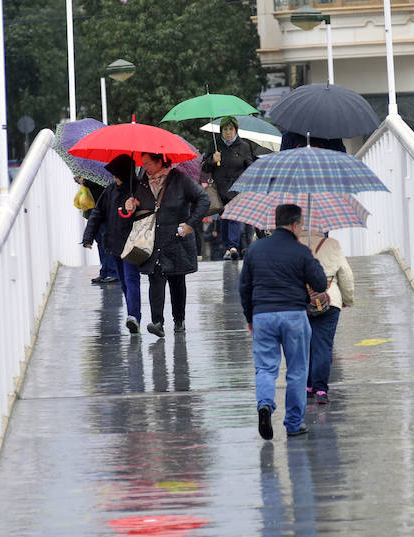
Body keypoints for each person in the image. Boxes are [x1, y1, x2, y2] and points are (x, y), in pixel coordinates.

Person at [239, 204, 327, 439]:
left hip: (263, 315)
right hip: (294, 315)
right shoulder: (301, 251)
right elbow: (319, 283)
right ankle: (293, 424)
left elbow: (244, 287)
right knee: (297, 370)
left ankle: (265, 405)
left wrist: (250, 317)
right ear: (296, 224)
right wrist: (312, 258)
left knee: (266, 367)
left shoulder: (255, 249)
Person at [123, 152, 209, 338]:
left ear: (160, 161)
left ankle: (179, 321)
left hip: (176, 238)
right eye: (143, 164)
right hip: (153, 239)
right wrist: (130, 204)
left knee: (177, 280)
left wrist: (190, 223)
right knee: (155, 279)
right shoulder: (142, 182)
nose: (145, 167)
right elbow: (138, 207)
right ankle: (157, 322)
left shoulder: (180, 179)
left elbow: (204, 199)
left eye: (148, 163)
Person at [82, 154, 143, 334]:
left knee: (131, 279)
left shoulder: (138, 190)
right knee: (124, 281)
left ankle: (134, 315)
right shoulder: (109, 191)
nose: (114, 178)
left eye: (117, 174)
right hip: (114, 243)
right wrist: (88, 237)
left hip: (132, 244)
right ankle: (133, 314)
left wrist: (135, 205)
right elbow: (97, 214)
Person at [302, 230, 354, 403]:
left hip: (301, 301)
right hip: (329, 299)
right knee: (323, 345)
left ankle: (307, 385)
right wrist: (347, 299)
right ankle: (321, 390)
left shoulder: (292, 244)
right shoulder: (332, 244)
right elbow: (345, 274)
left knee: (305, 345)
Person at [200, 116, 255, 261]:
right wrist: (213, 160)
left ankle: (232, 247)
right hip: (219, 190)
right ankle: (228, 249)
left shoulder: (244, 146)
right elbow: (204, 167)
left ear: (236, 130)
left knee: (233, 217)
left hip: (237, 189)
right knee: (224, 219)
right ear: (221, 131)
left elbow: (250, 165)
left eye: (231, 129)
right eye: (225, 129)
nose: (228, 132)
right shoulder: (215, 145)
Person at [77, 176, 119, 285]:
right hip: (96, 207)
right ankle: (105, 270)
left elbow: (103, 183)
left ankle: (112, 271)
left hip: (103, 208)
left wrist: (85, 181)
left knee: (105, 239)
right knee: (100, 240)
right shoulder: (94, 170)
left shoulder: (103, 172)